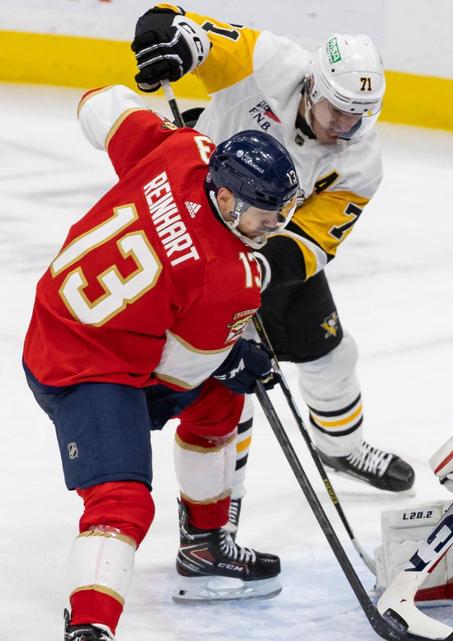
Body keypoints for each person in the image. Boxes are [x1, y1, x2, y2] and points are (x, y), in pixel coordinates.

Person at [23, 85, 300, 640]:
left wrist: (223, 368)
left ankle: (203, 545)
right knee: (121, 500)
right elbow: (179, 373)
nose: (275, 227)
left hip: (62, 309)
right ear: (227, 201)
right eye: (267, 216)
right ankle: (91, 628)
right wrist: (230, 356)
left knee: (221, 404)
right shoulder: (229, 280)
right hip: (82, 367)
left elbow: (99, 104)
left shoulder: (186, 152)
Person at [129, 6, 414, 527]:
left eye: (357, 116)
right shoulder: (268, 63)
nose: (343, 126)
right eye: (336, 110)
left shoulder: (359, 162)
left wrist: (251, 275)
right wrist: (168, 39)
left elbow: (311, 242)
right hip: (196, 228)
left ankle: (340, 446)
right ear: (311, 85)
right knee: (234, 391)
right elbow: (183, 28)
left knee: (333, 355)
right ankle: (219, 507)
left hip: (268, 249)